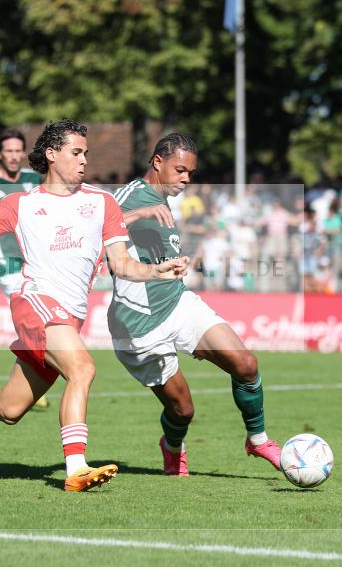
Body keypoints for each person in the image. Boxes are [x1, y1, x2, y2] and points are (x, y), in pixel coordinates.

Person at [0, 119, 188, 492]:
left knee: (9, 410)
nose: (84, 161)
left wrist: (157, 271)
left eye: (86, 154)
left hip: (66, 320)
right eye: (76, 152)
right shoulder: (22, 204)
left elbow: (122, 265)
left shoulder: (102, 203)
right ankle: (75, 468)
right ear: (52, 154)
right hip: (36, 304)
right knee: (83, 369)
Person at [107, 133, 283, 477]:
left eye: (190, 172)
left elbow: (149, 248)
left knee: (245, 363)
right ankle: (172, 447)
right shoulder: (131, 196)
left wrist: (176, 262)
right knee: (183, 410)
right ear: (157, 161)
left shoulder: (164, 196)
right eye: (180, 170)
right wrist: (141, 212)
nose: (186, 178)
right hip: (139, 323)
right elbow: (96, 225)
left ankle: (257, 438)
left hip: (177, 301)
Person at [0, 128, 49, 410]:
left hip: (40, 264)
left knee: (42, 324)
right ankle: (34, 381)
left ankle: (31, 381)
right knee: (35, 323)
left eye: (19, 151)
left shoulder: (34, 180)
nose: (15, 156)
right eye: (9, 151)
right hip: (10, 267)